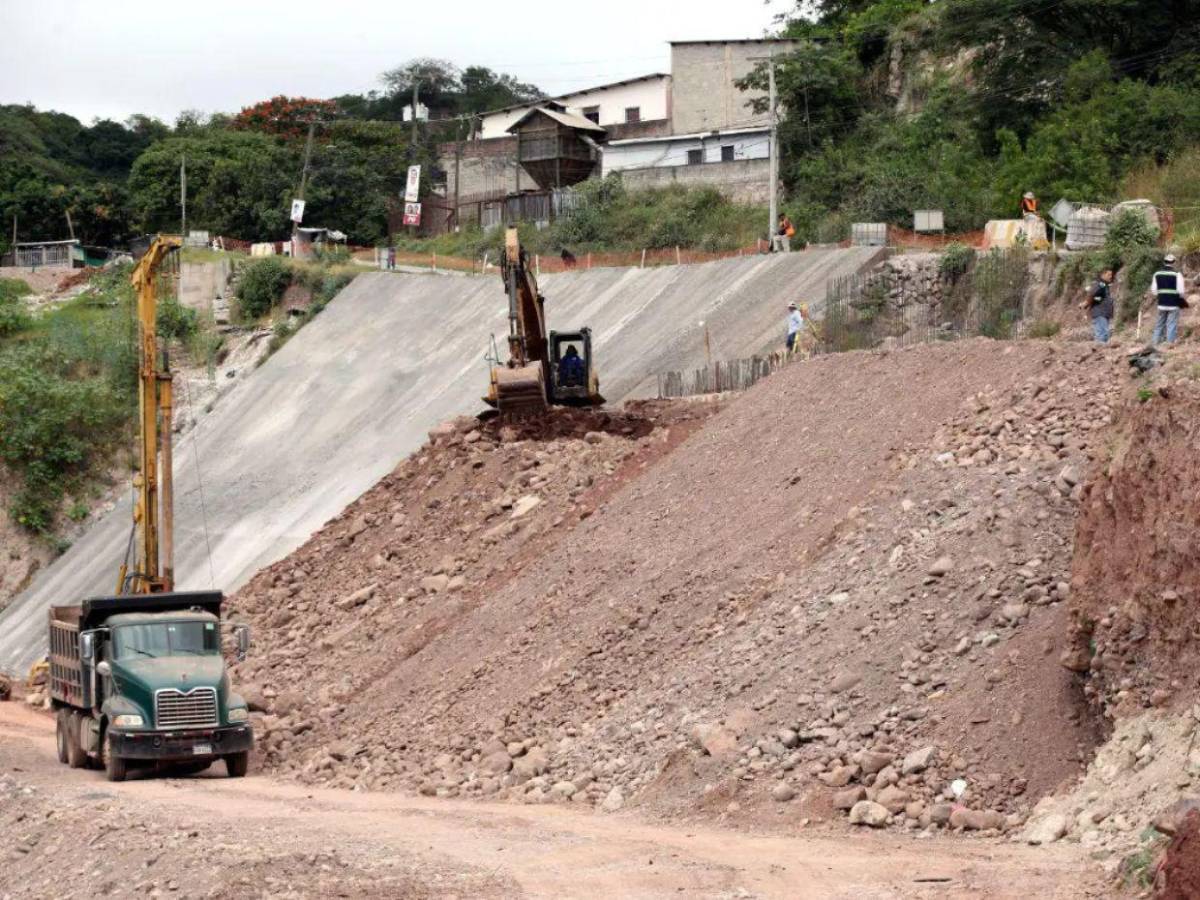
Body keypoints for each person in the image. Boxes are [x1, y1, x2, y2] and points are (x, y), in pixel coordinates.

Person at [1151, 254, 1186, 346]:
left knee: (1159, 324)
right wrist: (1181, 299)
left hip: (1161, 303)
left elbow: (1154, 291)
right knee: (1171, 324)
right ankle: (1169, 344)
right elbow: (1181, 291)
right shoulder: (1177, 274)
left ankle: (1155, 343)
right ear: (1174, 262)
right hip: (1173, 304)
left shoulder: (1157, 274)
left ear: (1164, 262)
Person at [1086, 269, 1115, 343]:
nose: (1110, 277)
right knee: (1101, 335)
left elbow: (1098, 297)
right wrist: (1086, 304)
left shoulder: (1104, 285)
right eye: (1108, 275)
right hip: (1100, 313)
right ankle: (1099, 352)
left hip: (1104, 314)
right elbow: (1092, 295)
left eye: (1111, 275)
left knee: (1104, 335)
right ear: (1103, 274)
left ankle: (1101, 352)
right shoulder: (1100, 284)